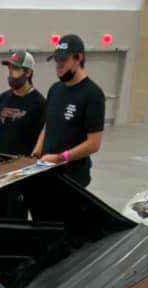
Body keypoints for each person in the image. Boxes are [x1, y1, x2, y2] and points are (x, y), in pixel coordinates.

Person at [32, 34, 105, 189]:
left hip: (72, 178)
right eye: (56, 60)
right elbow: (48, 125)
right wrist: (37, 152)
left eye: (63, 60)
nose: (58, 65)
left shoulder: (93, 94)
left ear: (78, 58)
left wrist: (60, 158)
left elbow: (94, 144)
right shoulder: (55, 89)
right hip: (47, 171)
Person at [0, 49, 46, 219]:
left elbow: (43, 137)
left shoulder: (39, 103)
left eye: (15, 69)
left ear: (28, 72)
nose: (10, 73)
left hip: (18, 178)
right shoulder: (2, 99)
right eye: (9, 69)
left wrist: (32, 163)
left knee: (12, 221)